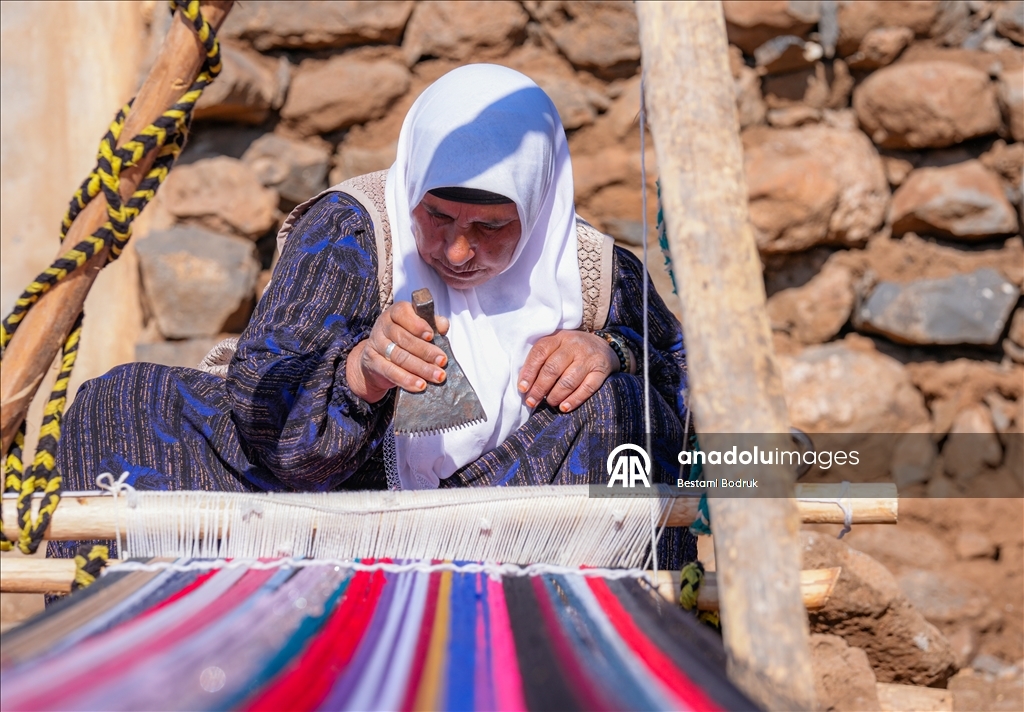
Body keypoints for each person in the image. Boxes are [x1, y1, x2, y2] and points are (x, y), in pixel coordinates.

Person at [53, 64, 693, 565]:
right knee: (120, 402)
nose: (457, 251)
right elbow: (265, 401)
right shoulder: (352, 231)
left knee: (627, 410)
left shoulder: (595, 271)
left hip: (518, 521)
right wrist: (360, 374)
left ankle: (599, 636)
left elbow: (705, 422)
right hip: (340, 509)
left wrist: (613, 352)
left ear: (540, 205)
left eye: (491, 227)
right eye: (437, 216)